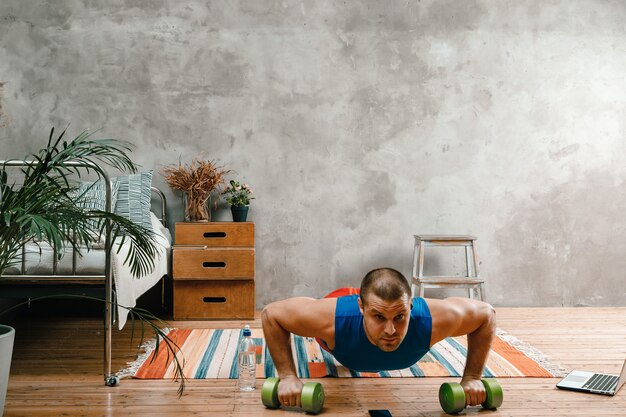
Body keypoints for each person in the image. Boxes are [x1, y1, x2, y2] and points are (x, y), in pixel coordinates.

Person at [261, 267, 496, 409]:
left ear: (411, 307)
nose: (391, 331)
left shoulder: (432, 320)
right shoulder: (333, 319)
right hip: (342, 329)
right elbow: (272, 314)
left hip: (367, 307)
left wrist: (472, 378)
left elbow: (486, 315)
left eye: (400, 317)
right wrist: (288, 376)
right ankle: (360, 299)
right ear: (362, 308)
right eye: (379, 317)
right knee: (335, 305)